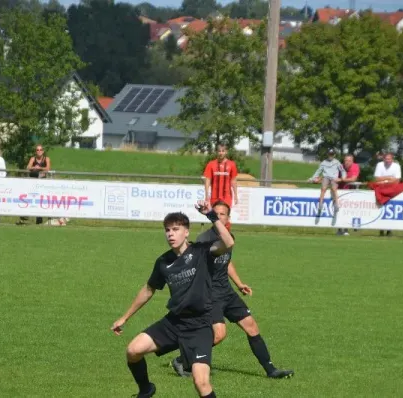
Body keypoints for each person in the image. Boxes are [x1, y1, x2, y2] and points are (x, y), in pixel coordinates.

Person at [111, 201, 235, 398]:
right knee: (133, 350)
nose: (170, 234)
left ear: (186, 232)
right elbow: (148, 290)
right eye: (167, 230)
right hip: (174, 322)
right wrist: (124, 317)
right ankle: (146, 390)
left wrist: (211, 215)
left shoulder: (202, 251)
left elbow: (228, 243)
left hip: (200, 325)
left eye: (176, 229)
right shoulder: (163, 262)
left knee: (201, 382)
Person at [167, 201, 294, 380]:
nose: (219, 217)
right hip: (211, 295)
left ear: (228, 217)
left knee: (252, 327)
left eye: (222, 214)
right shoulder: (205, 238)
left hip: (227, 292)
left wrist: (239, 283)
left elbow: (226, 262)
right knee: (218, 335)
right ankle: (181, 359)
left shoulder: (228, 236)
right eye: (215, 214)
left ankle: (271, 370)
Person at [18, 145, 51, 226]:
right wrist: (34, 167)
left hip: (42, 183)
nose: (39, 151)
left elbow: (48, 168)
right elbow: (28, 167)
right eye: (37, 150)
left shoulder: (46, 159)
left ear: (43, 151)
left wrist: (39, 168)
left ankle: (40, 220)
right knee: (29, 200)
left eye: (40, 150)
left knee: (41, 201)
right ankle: (24, 218)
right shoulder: (33, 159)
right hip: (32, 183)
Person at [308, 148, 346, 215]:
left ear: (334, 155)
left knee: (334, 189)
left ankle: (336, 204)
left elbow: (342, 170)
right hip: (326, 177)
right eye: (329, 154)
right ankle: (320, 203)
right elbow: (318, 171)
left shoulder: (337, 162)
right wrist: (313, 178)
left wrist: (343, 177)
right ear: (327, 154)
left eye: (332, 154)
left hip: (334, 178)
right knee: (323, 189)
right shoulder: (324, 162)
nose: (330, 156)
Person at [374, 153, 402, 236]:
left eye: (389, 159)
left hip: (392, 190)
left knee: (390, 210)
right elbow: (377, 178)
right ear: (384, 159)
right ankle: (381, 229)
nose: (387, 161)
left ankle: (389, 229)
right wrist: (389, 177)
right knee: (380, 208)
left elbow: (397, 180)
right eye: (386, 159)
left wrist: (385, 179)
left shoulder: (396, 166)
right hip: (381, 189)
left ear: (392, 159)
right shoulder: (379, 165)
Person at [203, 143, 238, 208]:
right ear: (216, 152)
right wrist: (206, 195)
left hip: (227, 197)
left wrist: (236, 195)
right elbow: (208, 180)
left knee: (225, 216)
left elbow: (233, 181)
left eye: (223, 151)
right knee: (215, 216)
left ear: (226, 152)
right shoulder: (211, 164)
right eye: (219, 151)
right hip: (214, 196)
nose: (221, 153)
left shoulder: (232, 164)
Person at [337, 155, 361, 235]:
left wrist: (342, 180)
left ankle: (346, 229)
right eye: (345, 160)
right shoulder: (340, 167)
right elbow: (334, 177)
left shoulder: (355, 167)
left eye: (349, 161)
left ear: (352, 161)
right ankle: (340, 229)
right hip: (340, 191)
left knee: (349, 211)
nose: (347, 162)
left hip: (351, 192)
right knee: (340, 211)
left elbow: (353, 179)